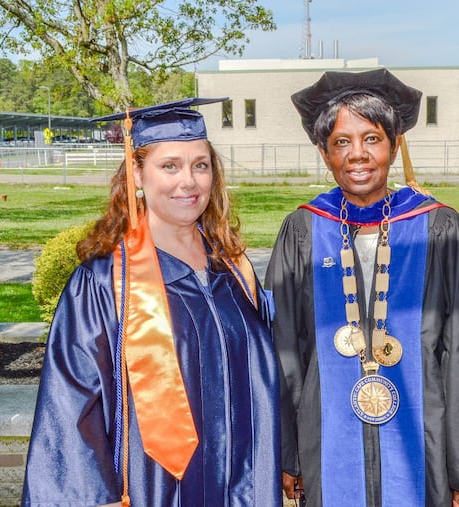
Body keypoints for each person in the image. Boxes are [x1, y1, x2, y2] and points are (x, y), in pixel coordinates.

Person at [266, 69, 459, 507]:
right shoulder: (303, 229)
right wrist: (287, 453)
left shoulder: (438, 228)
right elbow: (284, 347)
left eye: (372, 139)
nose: (357, 154)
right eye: (341, 142)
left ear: (395, 146)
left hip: (424, 443)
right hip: (327, 445)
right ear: (324, 153)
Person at [21, 98, 281, 506]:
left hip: (243, 481)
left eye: (200, 165)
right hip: (152, 486)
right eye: (170, 166)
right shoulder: (106, 280)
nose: (189, 182)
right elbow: (72, 405)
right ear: (138, 173)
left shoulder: (233, 269)